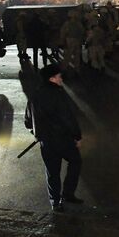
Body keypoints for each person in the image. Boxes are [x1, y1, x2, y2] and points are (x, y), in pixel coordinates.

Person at [30, 64, 83, 212]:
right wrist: (77, 136)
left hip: (46, 141)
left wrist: (36, 132)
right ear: (52, 78)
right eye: (59, 76)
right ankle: (68, 193)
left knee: (52, 172)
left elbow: (28, 119)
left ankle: (55, 201)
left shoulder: (36, 94)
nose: (61, 79)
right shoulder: (58, 95)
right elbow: (68, 118)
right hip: (62, 139)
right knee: (75, 161)